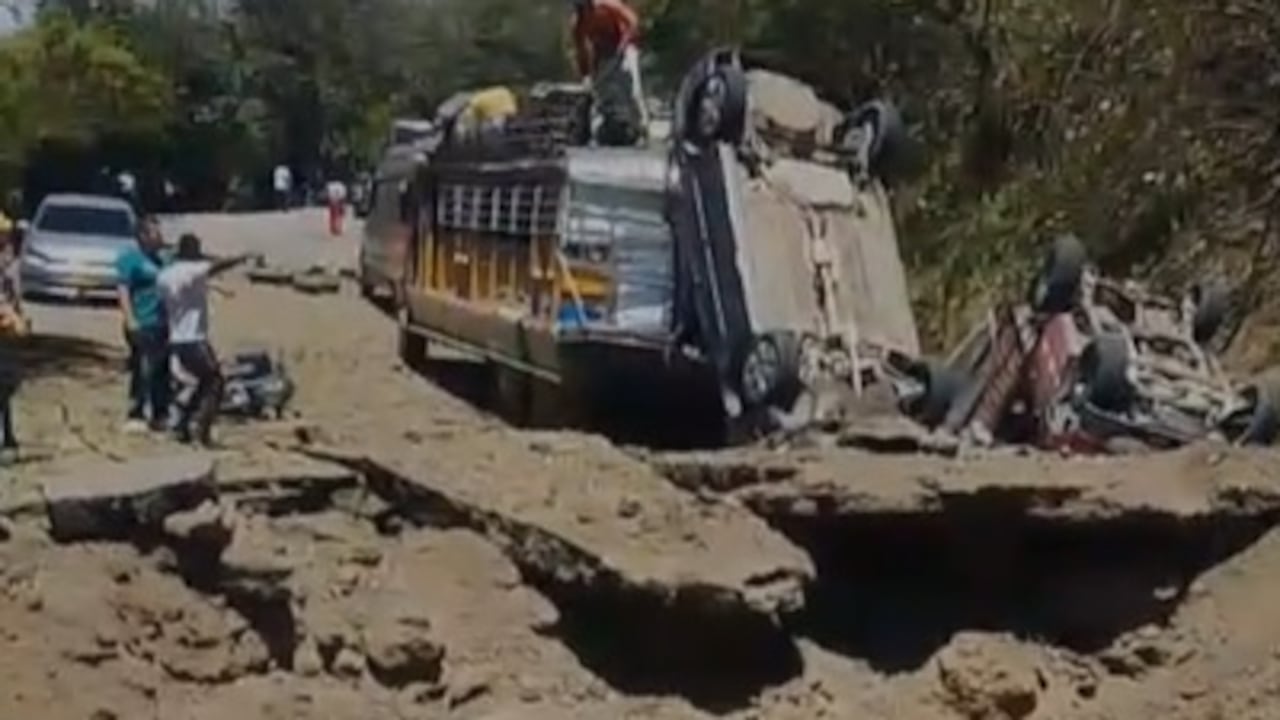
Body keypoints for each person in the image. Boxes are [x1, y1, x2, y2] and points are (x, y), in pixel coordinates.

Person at [157, 234, 255, 447]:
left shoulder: (165, 275)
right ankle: (200, 429)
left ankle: (184, 423)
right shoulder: (192, 271)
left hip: (176, 338)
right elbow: (216, 266)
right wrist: (241, 257)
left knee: (205, 381)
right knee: (215, 382)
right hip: (194, 339)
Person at [116, 215, 171, 432]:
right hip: (142, 320)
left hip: (162, 321)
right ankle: (136, 411)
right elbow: (123, 290)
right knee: (143, 367)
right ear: (142, 236)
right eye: (155, 232)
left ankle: (160, 412)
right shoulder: (130, 260)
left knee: (162, 369)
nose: (160, 236)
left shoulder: (165, 260)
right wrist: (130, 319)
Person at [570, 0, 648, 145]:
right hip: (603, 52)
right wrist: (586, 73)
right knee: (602, 90)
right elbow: (581, 49)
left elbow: (632, 21)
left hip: (624, 47)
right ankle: (609, 124)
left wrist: (624, 44)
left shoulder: (607, 6)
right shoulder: (579, 23)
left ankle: (641, 127)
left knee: (631, 86)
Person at [0, 215, 27, 456]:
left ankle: (7, 437)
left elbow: (13, 298)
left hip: (4, 335)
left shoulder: (9, 266)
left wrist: (19, 315)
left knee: (6, 384)